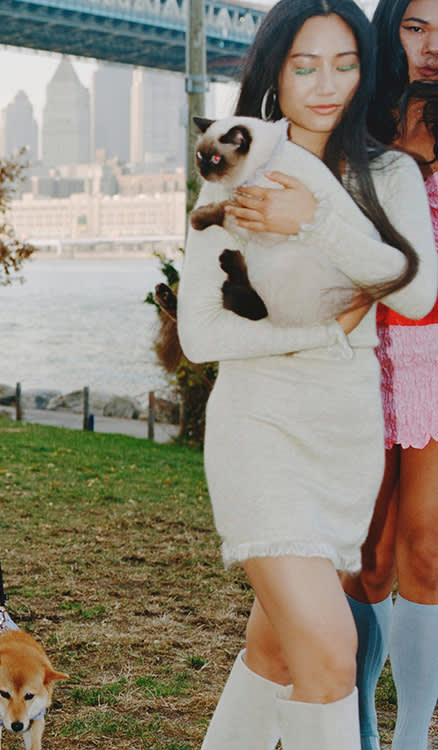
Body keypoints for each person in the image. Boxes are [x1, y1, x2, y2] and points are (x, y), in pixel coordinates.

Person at [176, 0, 437, 748]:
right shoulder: (236, 163)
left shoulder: (389, 172)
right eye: (305, 65)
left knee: (274, 654)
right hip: (261, 431)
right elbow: (199, 334)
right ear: (273, 71)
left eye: (346, 63)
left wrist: (314, 219)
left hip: (345, 443)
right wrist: (325, 331)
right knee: (330, 656)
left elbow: (417, 291)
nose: (328, 84)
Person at [341, 2, 438, 749]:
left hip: (436, 358)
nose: (433, 46)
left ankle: (413, 738)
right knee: (366, 560)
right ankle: (360, 731)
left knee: (428, 555)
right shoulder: (353, 125)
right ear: (388, 30)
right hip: (364, 355)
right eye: (416, 26)